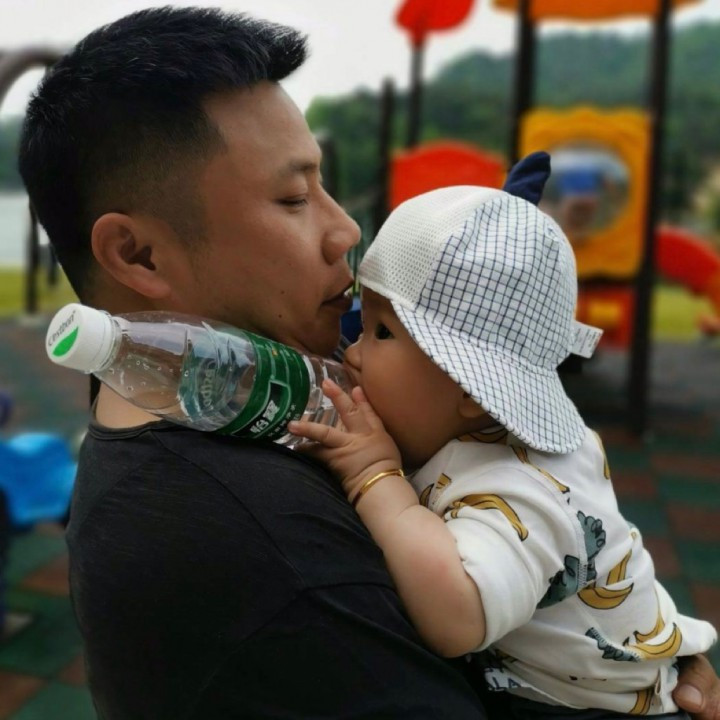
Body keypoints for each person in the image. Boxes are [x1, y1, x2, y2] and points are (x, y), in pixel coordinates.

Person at [15, 6, 720, 719]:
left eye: (323, 185)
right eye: (294, 197)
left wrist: (636, 645)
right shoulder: (271, 555)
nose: (346, 228)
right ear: (140, 256)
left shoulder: (207, 384)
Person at [289, 180, 718, 718]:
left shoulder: (522, 488)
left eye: (381, 332)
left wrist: (375, 476)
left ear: (472, 386)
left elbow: (456, 618)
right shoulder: (465, 431)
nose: (351, 352)